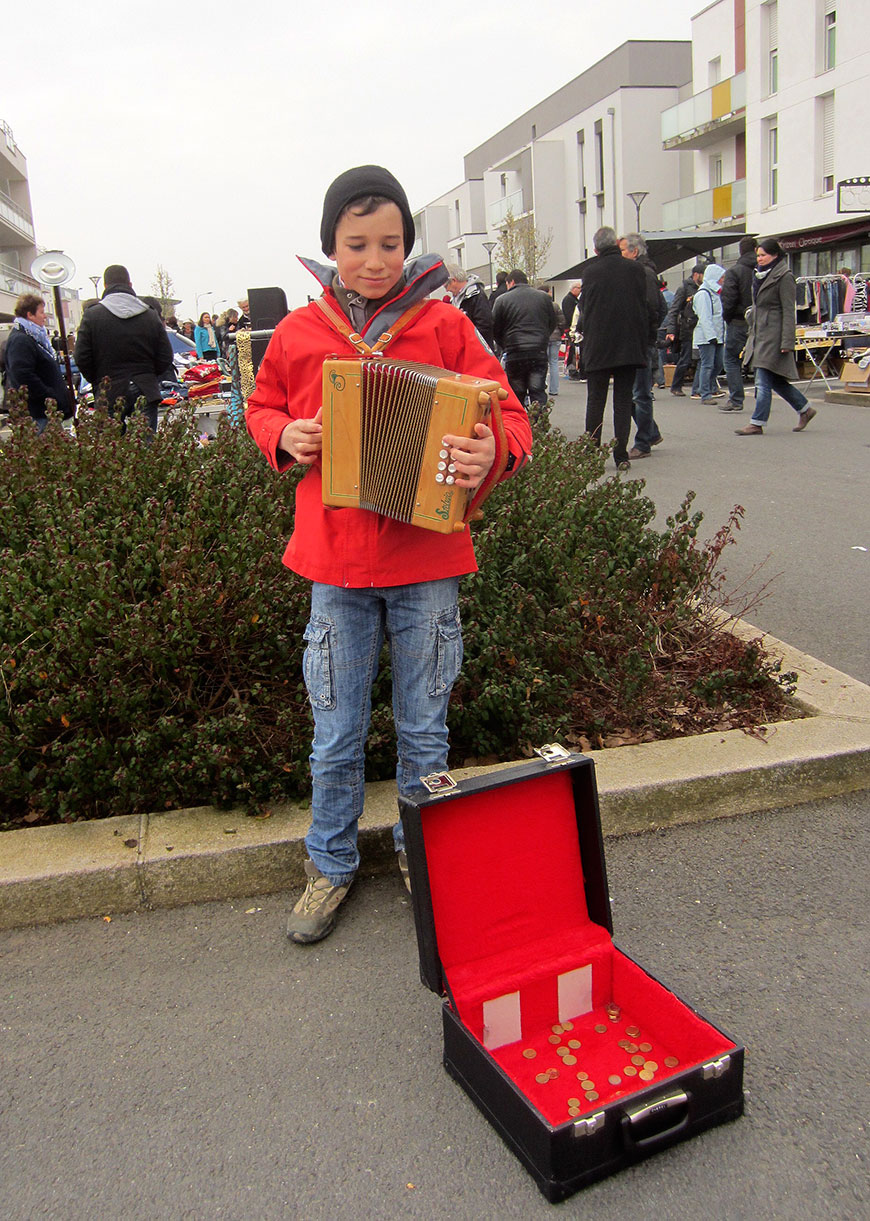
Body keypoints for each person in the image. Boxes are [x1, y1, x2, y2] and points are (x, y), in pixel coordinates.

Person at [245, 165, 532, 945]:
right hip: (333, 567)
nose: (375, 260)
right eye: (357, 243)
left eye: (391, 243)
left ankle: (424, 856)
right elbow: (261, 405)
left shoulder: (444, 325)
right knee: (334, 730)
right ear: (330, 245)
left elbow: (507, 411)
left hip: (427, 564)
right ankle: (329, 864)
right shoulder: (301, 333)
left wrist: (491, 453)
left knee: (425, 727)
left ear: (409, 245)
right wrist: (283, 435)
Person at [578, 226, 650, 471]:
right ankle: (621, 455)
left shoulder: (590, 273)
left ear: (596, 249)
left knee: (595, 400)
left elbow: (586, 308)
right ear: (617, 243)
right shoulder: (635, 270)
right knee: (623, 400)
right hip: (628, 344)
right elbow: (645, 305)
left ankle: (591, 454)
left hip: (599, 344)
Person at [74, 264, 174, 432]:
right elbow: (165, 355)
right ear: (130, 285)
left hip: (109, 388)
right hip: (145, 388)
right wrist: (148, 375)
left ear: (105, 286)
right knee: (145, 447)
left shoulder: (93, 315)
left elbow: (82, 357)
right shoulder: (149, 315)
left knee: (113, 450)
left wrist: (99, 380)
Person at [735, 238, 815, 436]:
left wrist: (788, 341)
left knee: (762, 379)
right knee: (776, 381)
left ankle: (757, 422)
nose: (759, 259)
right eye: (758, 255)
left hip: (774, 334)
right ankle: (805, 409)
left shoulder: (784, 276)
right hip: (760, 332)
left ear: (775, 255)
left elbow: (789, 310)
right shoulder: (758, 275)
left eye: (763, 255)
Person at [618, 233, 665, 459]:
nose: (620, 256)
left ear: (634, 252)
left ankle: (644, 441)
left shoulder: (643, 274)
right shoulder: (640, 273)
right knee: (632, 393)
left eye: (623, 251)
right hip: (636, 341)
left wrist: (644, 335)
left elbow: (652, 308)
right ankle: (651, 432)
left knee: (639, 393)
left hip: (640, 342)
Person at [3, 292, 73, 432]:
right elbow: (23, 375)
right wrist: (49, 395)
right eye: (41, 312)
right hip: (39, 413)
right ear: (30, 315)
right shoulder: (21, 340)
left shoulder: (34, 337)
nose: (45, 316)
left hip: (45, 411)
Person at [491, 268, 556, 409]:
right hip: (538, 350)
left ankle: (519, 426)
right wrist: (542, 339)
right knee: (537, 391)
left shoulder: (502, 300)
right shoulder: (543, 298)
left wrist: (505, 344)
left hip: (515, 350)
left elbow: (495, 327)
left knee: (517, 393)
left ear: (511, 282)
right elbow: (552, 322)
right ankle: (538, 425)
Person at [719, 236, 757, 412]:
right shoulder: (763, 269)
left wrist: (728, 317)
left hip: (739, 320)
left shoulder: (735, 272)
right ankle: (763, 398)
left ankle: (736, 399)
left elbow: (728, 299)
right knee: (760, 360)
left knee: (731, 359)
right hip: (760, 320)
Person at [664, 264, 705, 397]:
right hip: (687, 329)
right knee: (686, 359)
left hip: (700, 328)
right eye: (703, 274)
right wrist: (671, 329)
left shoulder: (704, 288)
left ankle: (700, 388)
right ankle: (676, 386)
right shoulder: (684, 288)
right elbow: (674, 310)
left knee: (701, 359)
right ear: (696, 275)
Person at [692, 264, 726, 404]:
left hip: (716, 336)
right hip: (707, 337)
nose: (723, 280)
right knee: (707, 365)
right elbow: (705, 317)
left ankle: (708, 388)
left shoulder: (715, 293)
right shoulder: (703, 294)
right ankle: (705, 393)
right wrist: (711, 336)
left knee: (717, 364)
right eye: (721, 277)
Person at [443, 264, 495, 349]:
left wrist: (465, 341)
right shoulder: (455, 300)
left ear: (453, 280)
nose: (447, 290)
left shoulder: (477, 296)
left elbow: (485, 325)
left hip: (478, 351)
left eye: (446, 286)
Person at [543, 288, 566, 397]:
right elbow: (562, 322)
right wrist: (560, 332)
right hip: (555, 336)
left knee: (543, 363)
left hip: (543, 337)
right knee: (554, 362)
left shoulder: (539, 305)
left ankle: (542, 386)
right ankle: (554, 389)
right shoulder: (555, 306)